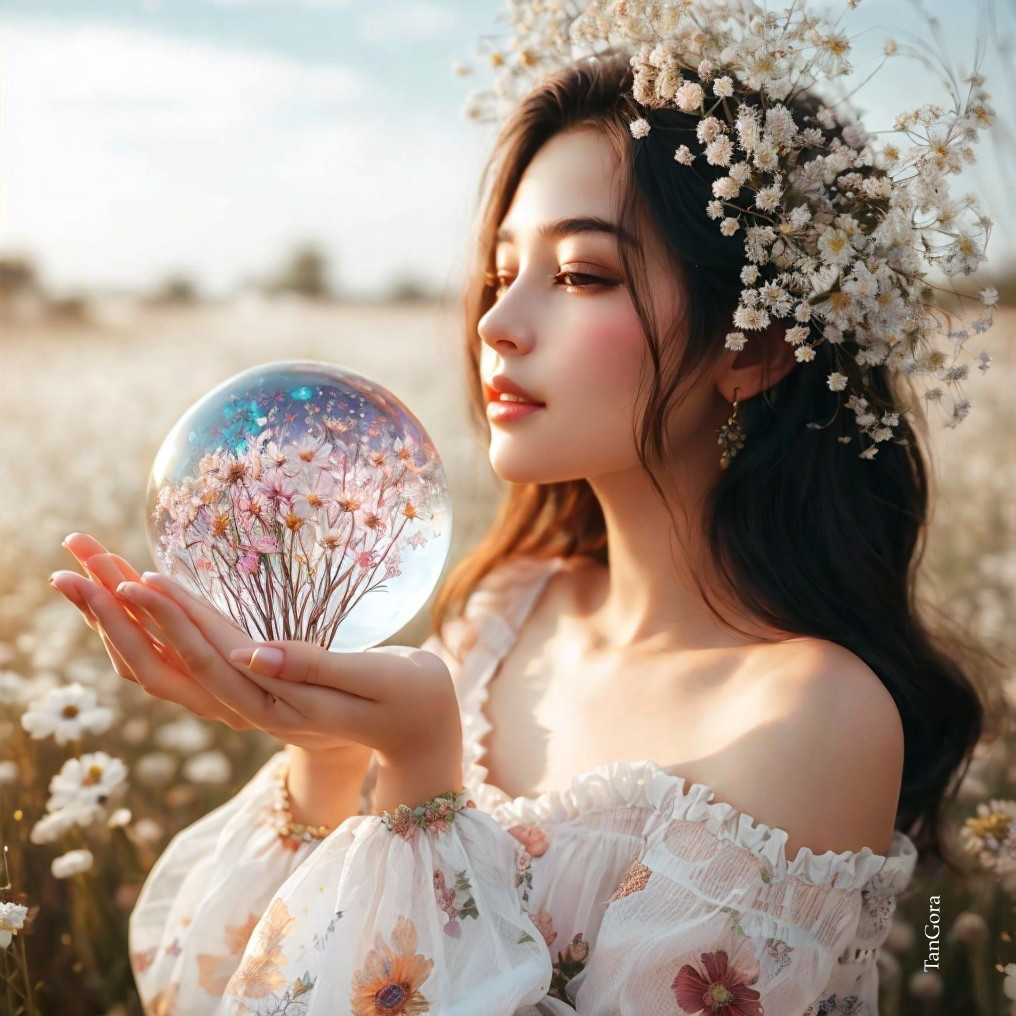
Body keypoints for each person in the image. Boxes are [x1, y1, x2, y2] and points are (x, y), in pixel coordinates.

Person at [50, 4, 1003, 1013]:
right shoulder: (502, 610)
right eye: (502, 274)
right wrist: (327, 755)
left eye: (581, 274)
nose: (497, 324)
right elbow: (225, 982)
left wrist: (422, 790)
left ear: (755, 349)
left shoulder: (813, 714)